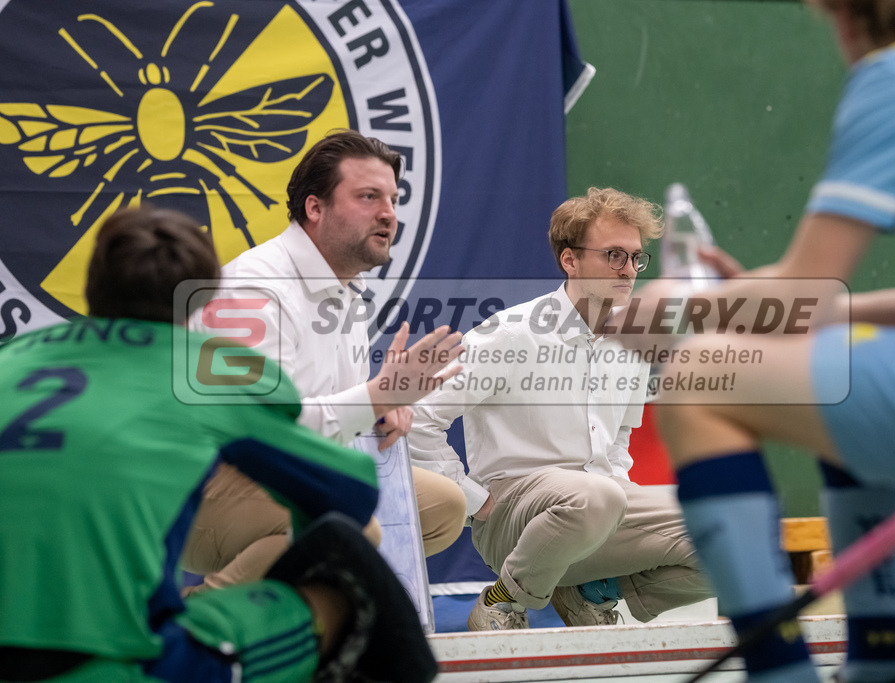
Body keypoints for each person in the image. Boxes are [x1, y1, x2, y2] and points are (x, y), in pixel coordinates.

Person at [613, 1, 895, 680]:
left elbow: (800, 290)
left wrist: (691, 304)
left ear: (846, 15)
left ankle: (796, 671)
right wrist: (803, 314)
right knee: (849, 361)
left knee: (699, 379)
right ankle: (874, 664)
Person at [0, 206, 444, 682]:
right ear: (201, 301)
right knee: (349, 575)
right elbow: (350, 495)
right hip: (114, 660)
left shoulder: (12, 358)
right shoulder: (204, 369)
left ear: (91, 284)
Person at [408, 187, 713, 631]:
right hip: (512, 516)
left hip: (599, 510)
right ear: (570, 260)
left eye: (635, 257)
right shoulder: (510, 334)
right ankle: (503, 600)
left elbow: (617, 447)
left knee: (727, 528)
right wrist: (477, 503)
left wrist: (617, 510)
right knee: (598, 496)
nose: (628, 271)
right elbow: (418, 419)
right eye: (613, 255)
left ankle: (591, 593)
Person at [185, 130, 467, 592]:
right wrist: (378, 395)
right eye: (368, 197)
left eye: (393, 199)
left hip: (291, 469)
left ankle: (315, 613)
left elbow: (331, 413)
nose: (389, 215)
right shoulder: (254, 288)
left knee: (441, 508)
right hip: (203, 487)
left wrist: (377, 409)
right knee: (345, 522)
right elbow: (261, 434)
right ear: (315, 208)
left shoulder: (344, 286)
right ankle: (199, 620)